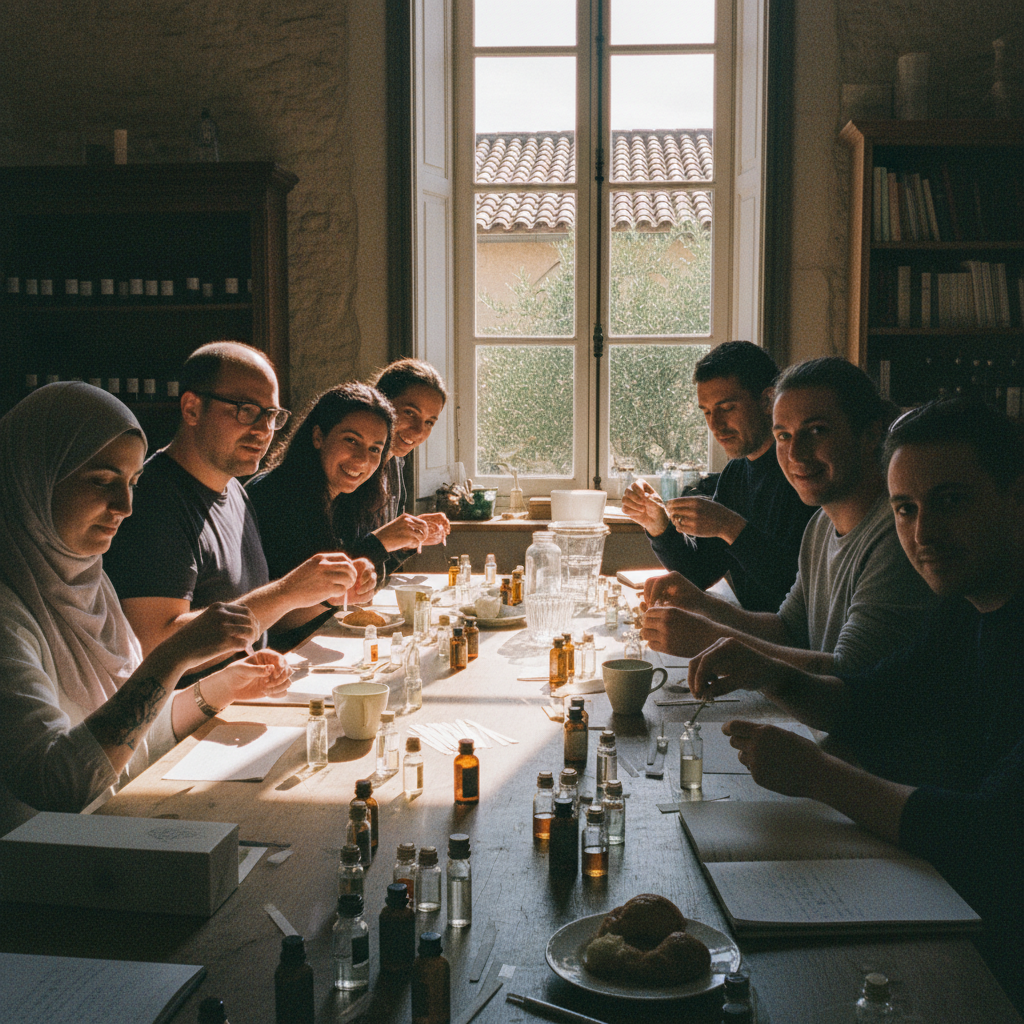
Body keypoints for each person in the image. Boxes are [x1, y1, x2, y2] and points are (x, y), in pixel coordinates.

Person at [687, 397, 1024, 1010]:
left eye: (952, 501)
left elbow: (987, 836)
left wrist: (819, 776)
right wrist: (767, 671)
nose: (923, 534)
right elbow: (867, 700)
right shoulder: (967, 607)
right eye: (906, 509)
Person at [0, 382, 292, 836]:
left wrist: (218, 688)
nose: (126, 506)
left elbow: (126, 744)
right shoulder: (9, 612)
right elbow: (57, 786)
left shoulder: (89, 583)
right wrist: (173, 655)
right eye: (101, 481)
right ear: (32, 476)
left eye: (133, 483)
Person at [642, 357, 934, 673]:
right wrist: (702, 605)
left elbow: (849, 679)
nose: (795, 454)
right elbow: (787, 630)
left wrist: (712, 638)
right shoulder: (821, 525)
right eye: (784, 435)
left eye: (817, 431)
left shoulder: (899, 536)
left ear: (870, 435)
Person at [103, 342, 374, 658]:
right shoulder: (152, 502)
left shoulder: (235, 491)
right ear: (191, 408)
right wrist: (286, 592)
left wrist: (325, 594)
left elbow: (259, 621)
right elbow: (152, 647)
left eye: (272, 415)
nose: (263, 430)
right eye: (246, 410)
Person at [621, 341, 815, 612]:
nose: (715, 425)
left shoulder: (804, 474)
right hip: (754, 635)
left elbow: (800, 592)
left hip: (790, 644)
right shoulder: (736, 474)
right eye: (707, 412)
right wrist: (659, 526)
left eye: (727, 408)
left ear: (767, 401)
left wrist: (729, 526)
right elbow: (701, 573)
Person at [246, 381, 398, 646]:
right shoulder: (274, 496)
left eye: (375, 449)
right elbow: (260, 622)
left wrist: (358, 576)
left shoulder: (345, 499)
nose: (363, 459)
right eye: (351, 440)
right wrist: (332, 597)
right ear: (318, 437)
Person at [365, 358, 452, 576]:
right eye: (410, 413)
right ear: (381, 402)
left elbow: (378, 568)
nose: (418, 430)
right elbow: (341, 559)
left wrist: (407, 539)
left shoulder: (394, 463)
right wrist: (386, 538)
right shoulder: (355, 468)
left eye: (429, 422)